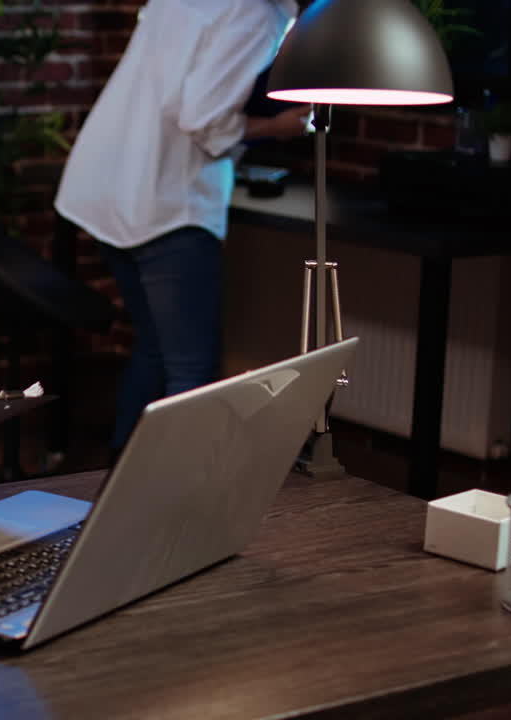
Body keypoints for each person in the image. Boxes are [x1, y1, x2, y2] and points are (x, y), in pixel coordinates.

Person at [54, 0, 310, 455]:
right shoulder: (259, 13)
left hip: (108, 188)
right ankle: (174, 504)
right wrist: (278, 126)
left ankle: (120, 488)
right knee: (192, 372)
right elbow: (203, 118)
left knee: (154, 350)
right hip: (168, 204)